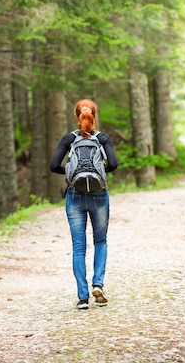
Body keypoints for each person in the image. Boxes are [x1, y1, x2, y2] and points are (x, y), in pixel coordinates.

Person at [49, 99, 118, 310]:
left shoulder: (69, 139)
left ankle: (82, 297)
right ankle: (98, 284)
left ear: (76, 115)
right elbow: (113, 164)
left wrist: (71, 173)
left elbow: (54, 166)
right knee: (100, 241)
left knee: (79, 248)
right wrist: (98, 174)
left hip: (74, 196)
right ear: (94, 115)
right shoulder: (103, 138)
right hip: (99, 195)